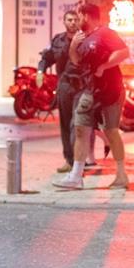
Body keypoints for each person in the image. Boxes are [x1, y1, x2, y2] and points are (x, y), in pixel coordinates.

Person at [52, 3, 130, 191]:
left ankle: (121, 175)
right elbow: (77, 61)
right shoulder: (82, 36)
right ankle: (76, 176)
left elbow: (124, 52)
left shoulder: (105, 33)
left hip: (110, 90)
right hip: (88, 90)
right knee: (80, 128)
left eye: (79, 16)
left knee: (111, 131)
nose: (77, 20)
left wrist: (104, 66)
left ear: (87, 15)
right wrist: (73, 46)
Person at [38, 11, 98, 172]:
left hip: (82, 86)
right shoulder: (58, 40)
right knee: (65, 124)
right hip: (64, 86)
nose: (72, 22)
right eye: (69, 20)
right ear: (64, 21)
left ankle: (78, 161)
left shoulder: (86, 39)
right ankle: (70, 161)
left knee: (77, 124)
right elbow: (47, 57)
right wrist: (40, 71)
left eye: (75, 19)